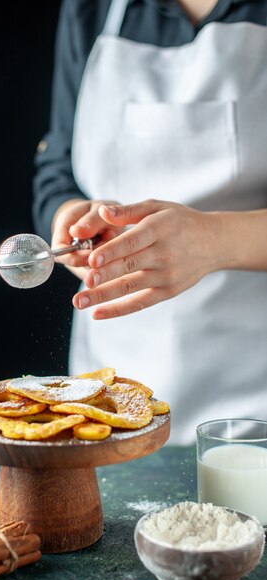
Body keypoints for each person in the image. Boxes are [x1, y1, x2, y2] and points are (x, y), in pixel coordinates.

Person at [32, 0, 267, 444]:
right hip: (110, 398)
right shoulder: (91, 10)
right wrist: (70, 218)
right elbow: (57, 170)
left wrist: (214, 241)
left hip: (257, 395)